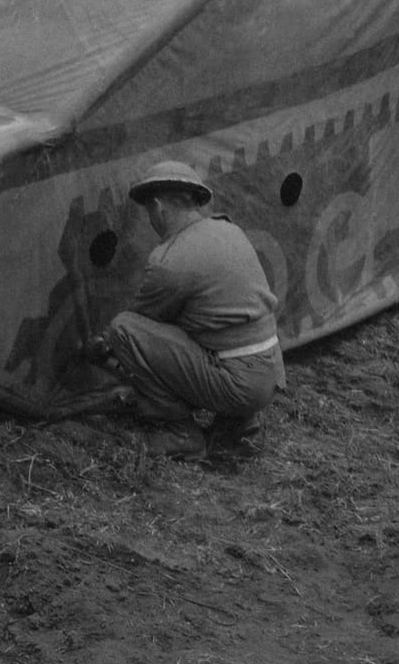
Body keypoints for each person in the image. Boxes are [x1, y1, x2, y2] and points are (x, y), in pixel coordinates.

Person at [96, 160, 283, 456]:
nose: (151, 220)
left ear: (158, 208)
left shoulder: (170, 260)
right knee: (207, 322)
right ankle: (240, 424)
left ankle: (180, 431)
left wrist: (103, 342)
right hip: (270, 372)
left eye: (149, 212)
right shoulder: (230, 230)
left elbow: (140, 325)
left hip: (240, 384)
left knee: (123, 329)